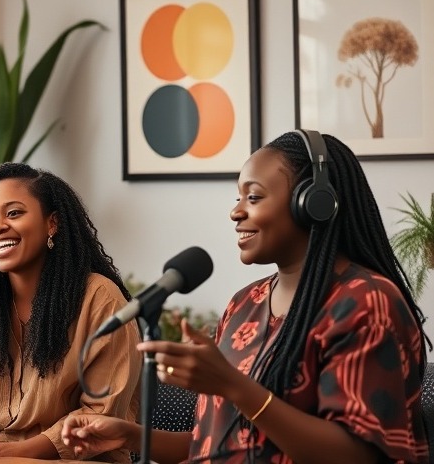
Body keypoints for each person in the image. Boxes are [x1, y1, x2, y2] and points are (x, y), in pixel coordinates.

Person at [61, 130, 430, 463]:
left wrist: (234, 386)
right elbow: (221, 444)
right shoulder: (244, 303)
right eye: (238, 197)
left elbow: (358, 455)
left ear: (313, 202)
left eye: (253, 196)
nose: (236, 212)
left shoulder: (367, 302)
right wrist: (128, 436)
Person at [0, 162, 142, 463]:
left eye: (13, 213)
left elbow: (102, 413)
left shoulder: (99, 298)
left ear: (51, 224)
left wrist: (15, 453)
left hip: (75, 458)